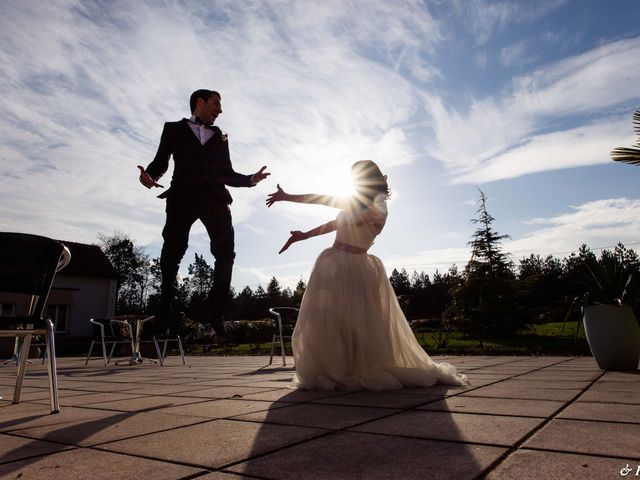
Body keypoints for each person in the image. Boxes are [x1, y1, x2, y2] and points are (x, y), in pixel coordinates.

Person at [266, 160, 467, 390]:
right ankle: (341, 367)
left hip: (354, 267)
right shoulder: (357, 203)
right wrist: (296, 215)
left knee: (358, 321)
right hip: (336, 263)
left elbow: (330, 208)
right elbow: (331, 212)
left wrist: (297, 214)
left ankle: (357, 369)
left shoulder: (377, 207)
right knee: (334, 321)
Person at [138, 89, 269, 337]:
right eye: (216, 104)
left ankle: (215, 311)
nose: (220, 110)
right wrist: (148, 177)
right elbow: (160, 163)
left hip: (215, 200)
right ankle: (164, 308)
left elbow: (227, 173)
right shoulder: (172, 129)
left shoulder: (221, 136)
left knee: (225, 253)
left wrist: (251, 178)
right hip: (182, 197)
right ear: (200, 102)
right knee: (172, 252)